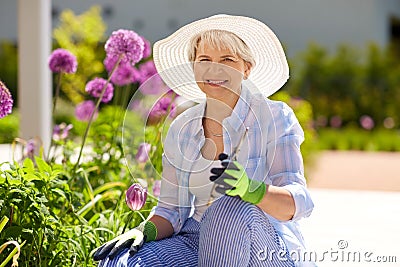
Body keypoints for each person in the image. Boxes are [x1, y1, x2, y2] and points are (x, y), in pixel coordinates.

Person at [94, 14, 315, 266]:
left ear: (246, 68)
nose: (214, 69)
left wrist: (252, 190)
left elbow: (300, 203)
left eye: (227, 59)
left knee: (227, 208)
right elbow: (171, 211)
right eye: (205, 60)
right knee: (123, 261)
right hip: (196, 239)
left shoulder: (274, 117)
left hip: (265, 246)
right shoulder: (182, 127)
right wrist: (145, 231)